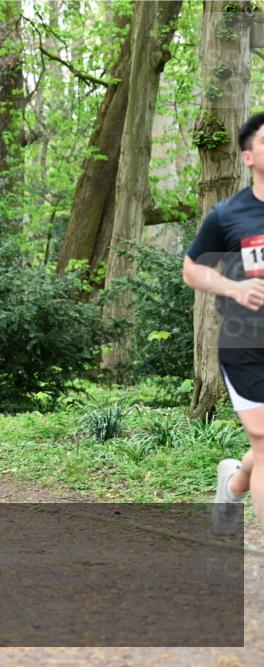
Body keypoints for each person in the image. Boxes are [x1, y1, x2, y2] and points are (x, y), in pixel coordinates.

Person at [183, 112, 264, 534]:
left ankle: (232, 485)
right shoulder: (228, 215)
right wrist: (234, 289)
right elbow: (192, 270)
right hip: (246, 341)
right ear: (249, 157)